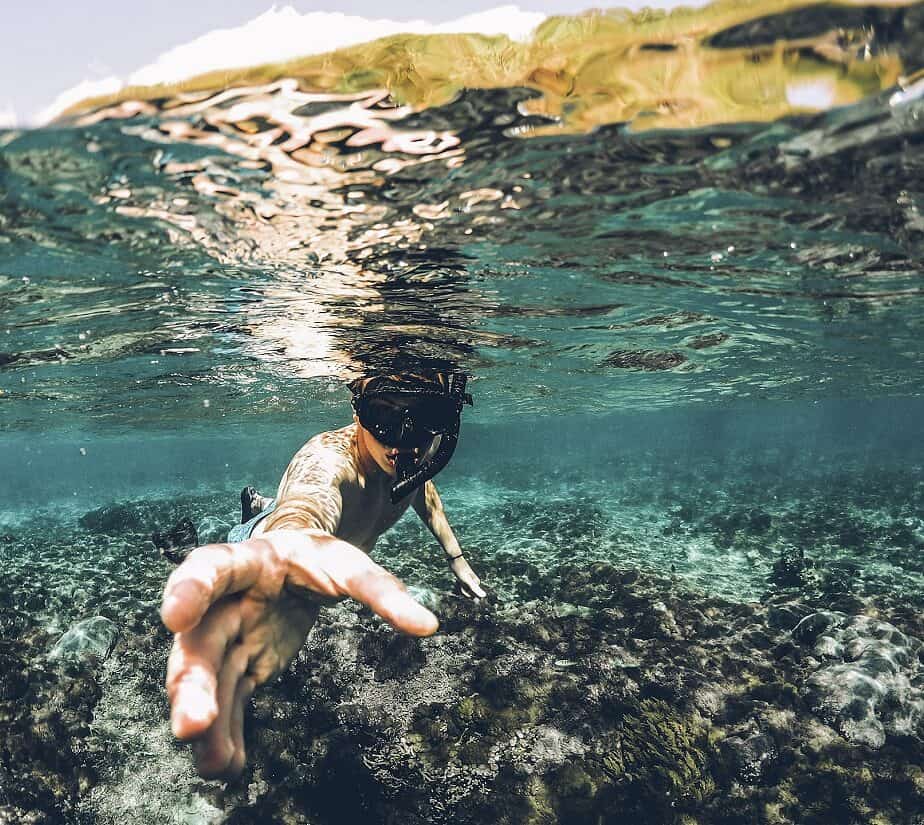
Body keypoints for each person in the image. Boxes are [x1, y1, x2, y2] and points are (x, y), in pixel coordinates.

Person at [160, 371, 486, 779]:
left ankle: (260, 505)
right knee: (205, 551)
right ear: (358, 410)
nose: (403, 439)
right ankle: (238, 520)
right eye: (384, 414)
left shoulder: (409, 461)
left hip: (315, 558)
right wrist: (288, 541)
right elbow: (308, 502)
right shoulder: (329, 459)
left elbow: (420, 489)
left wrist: (456, 558)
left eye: (427, 415)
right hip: (264, 544)